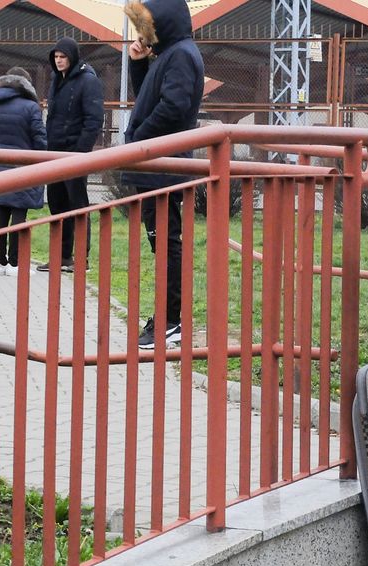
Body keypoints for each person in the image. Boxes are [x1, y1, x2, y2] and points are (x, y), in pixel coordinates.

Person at [123, 0, 204, 349]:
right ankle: (168, 317)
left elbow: (174, 107)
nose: (143, 35)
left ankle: (172, 321)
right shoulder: (169, 55)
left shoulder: (181, 55)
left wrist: (138, 143)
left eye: (147, 28)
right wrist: (137, 63)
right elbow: (148, 98)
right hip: (158, 166)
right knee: (163, 246)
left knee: (168, 247)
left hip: (165, 167)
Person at [39, 37, 103, 273]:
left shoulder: (89, 81)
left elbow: (94, 120)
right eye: (56, 57)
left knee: (78, 205)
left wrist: (80, 153)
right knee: (56, 205)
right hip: (54, 153)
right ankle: (61, 257)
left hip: (75, 155)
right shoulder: (57, 80)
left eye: (62, 57)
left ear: (72, 57)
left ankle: (81, 258)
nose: (58, 61)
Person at [0, 66, 47, 274]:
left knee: (1, 212)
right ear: (26, 85)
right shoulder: (31, 107)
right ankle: (16, 262)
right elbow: (39, 138)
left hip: (0, 160)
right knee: (19, 213)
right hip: (24, 163)